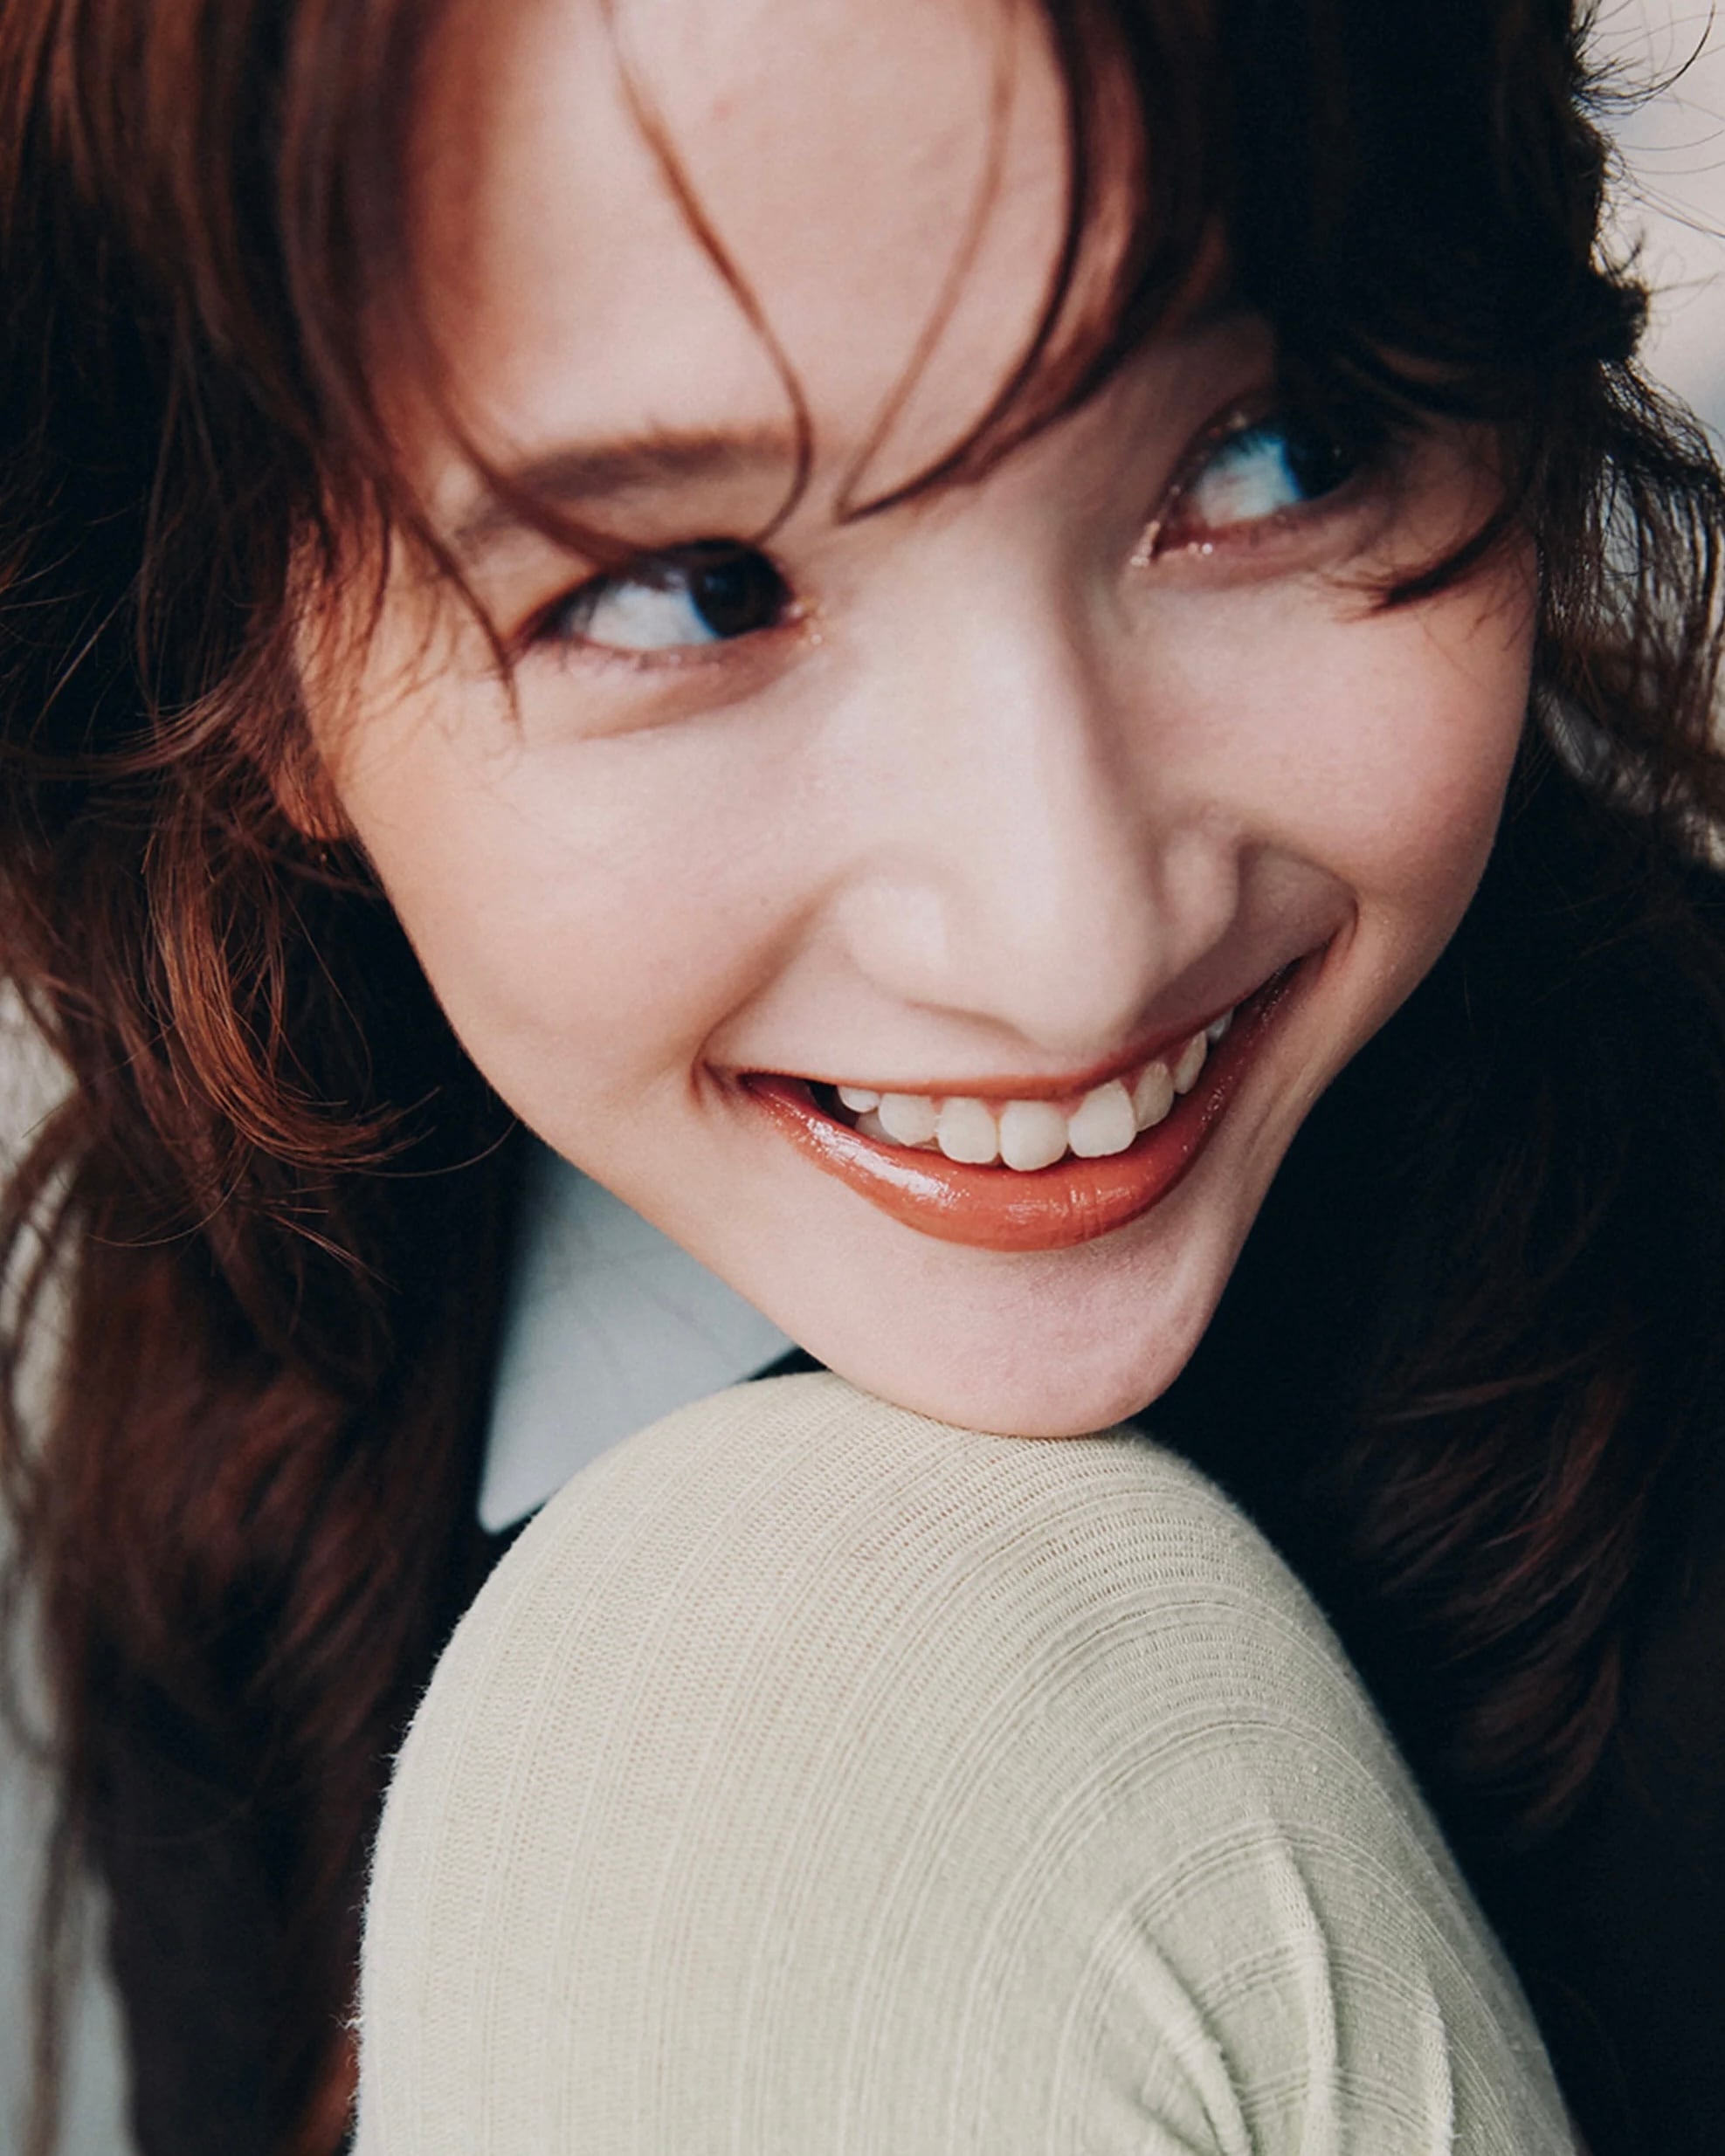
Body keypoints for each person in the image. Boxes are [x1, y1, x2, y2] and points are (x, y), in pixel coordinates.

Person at [0, 0, 1721, 2148]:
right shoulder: (270, 1364)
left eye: (1277, 451)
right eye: (692, 591)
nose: (1065, 939)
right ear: (249, 661)